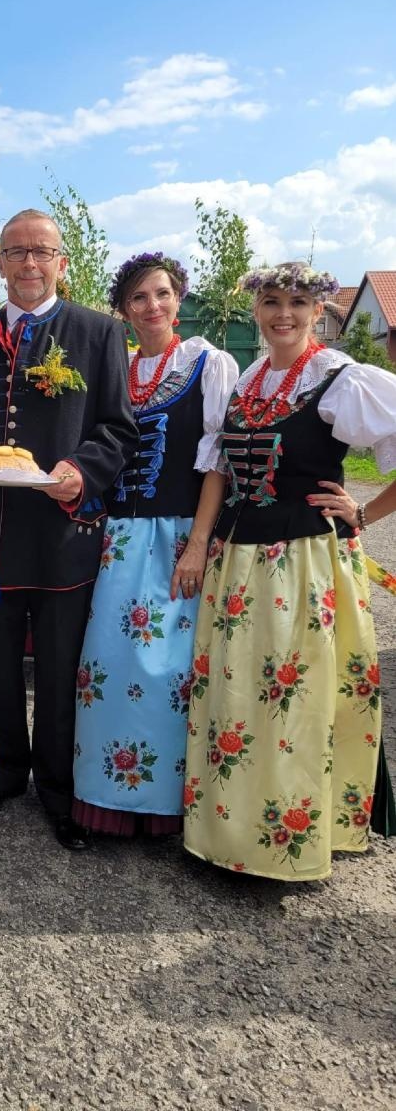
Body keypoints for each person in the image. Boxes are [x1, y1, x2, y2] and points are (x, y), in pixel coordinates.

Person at [0, 210, 137, 849]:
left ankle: (60, 790)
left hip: (62, 531)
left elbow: (118, 428)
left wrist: (82, 468)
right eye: (17, 253)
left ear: (61, 261)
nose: (30, 264)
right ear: (1, 262)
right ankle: (5, 770)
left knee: (63, 665)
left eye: (42, 252)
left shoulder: (98, 333)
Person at [183, 261, 396, 881]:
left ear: (318, 312)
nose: (283, 314)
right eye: (272, 302)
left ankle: (289, 839)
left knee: (292, 698)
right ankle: (232, 829)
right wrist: (201, 541)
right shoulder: (248, 379)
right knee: (240, 693)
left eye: (298, 304)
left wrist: (363, 511)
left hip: (304, 563)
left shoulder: (341, 379)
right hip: (241, 561)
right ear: (256, 309)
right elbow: (218, 468)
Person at [71, 253, 238, 839]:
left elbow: (216, 461)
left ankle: (168, 805)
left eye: (162, 294)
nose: (152, 307)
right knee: (106, 667)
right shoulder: (115, 366)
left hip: (175, 536)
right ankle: (105, 800)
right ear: (123, 309)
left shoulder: (208, 363)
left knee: (170, 674)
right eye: (139, 298)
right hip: (116, 539)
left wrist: (199, 542)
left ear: (179, 298)